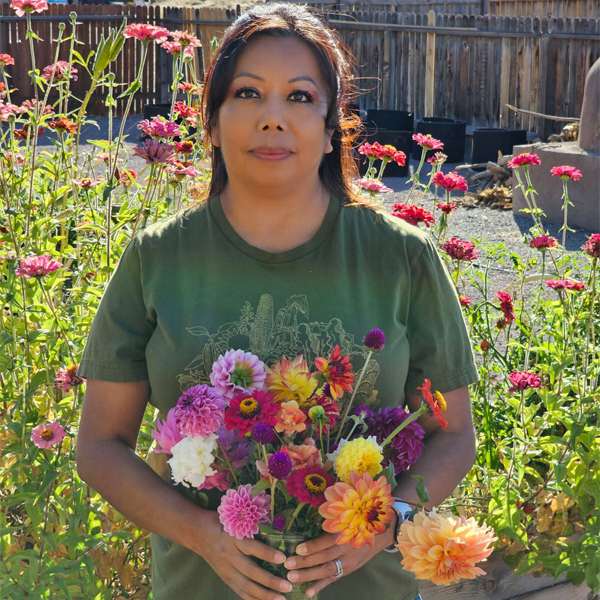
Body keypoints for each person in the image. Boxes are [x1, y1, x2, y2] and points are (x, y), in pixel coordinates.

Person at [75, 4, 480, 600]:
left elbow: (455, 434)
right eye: (247, 93)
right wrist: (202, 534)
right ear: (211, 122)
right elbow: (100, 445)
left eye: (299, 97)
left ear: (331, 126)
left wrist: (384, 520)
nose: (272, 119)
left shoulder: (402, 258)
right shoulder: (157, 258)